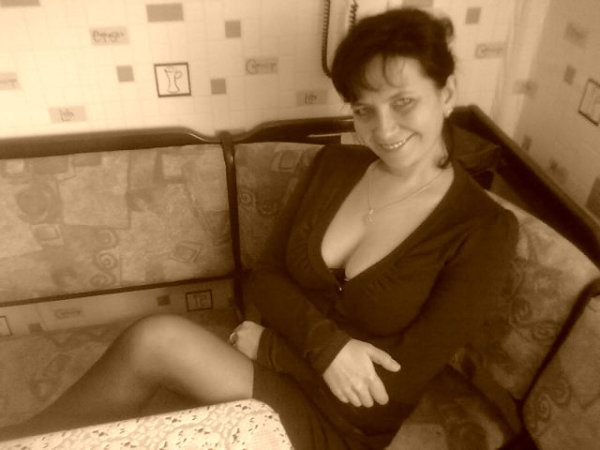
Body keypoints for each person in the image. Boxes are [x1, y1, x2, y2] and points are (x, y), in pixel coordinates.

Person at [0, 7, 518, 449]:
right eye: (364, 110)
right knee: (148, 357)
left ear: (446, 93)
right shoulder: (335, 167)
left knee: (156, 348)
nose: (383, 129)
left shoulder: (484, 228)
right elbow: (265, 275)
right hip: (275, 365)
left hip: (342, 421)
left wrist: (272, 346)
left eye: (403, 101)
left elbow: (391, 389)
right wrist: (326, 347)